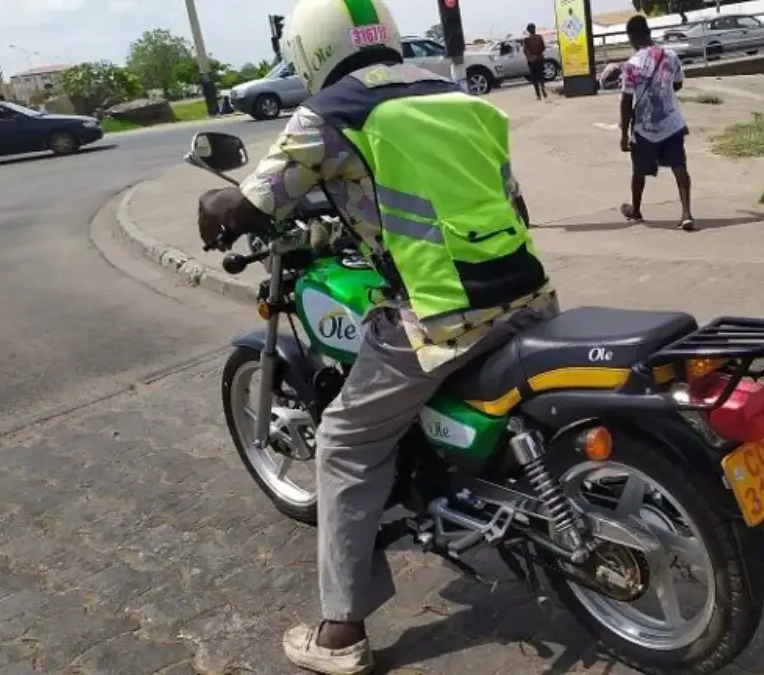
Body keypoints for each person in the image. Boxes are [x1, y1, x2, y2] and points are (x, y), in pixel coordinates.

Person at [195, 1, 556, 673]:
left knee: (343, 441)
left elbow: (256, 198)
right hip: (527, 293)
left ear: (308, 51)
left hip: (440, 315)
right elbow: (477, 201)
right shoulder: (451, 94)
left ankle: (340, 632)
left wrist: (218, 209)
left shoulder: (332, 114)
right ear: (384, 35)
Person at [618, 15, 695, 231]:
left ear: (632, 36)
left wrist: (624, 135)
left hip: (645, 128)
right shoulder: (670, 55)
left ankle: (636, 211)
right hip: (672, 122)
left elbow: (626, 101)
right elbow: (678, 83)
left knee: (638, 170)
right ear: (648, 32)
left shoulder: (632, 65)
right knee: (680, 167)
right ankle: (686, 213)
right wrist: (663, 92)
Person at [523, 23, 548, 101]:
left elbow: (524, 51)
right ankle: (543, 87)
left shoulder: (526, 40)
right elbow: (543, 47)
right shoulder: (539, 37)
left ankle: (538, 95)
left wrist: (529, 57)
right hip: (540, 58)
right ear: (534, 29)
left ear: (528, 31)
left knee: (534, 78)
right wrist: (539, 53)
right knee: (541, 75)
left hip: (532, 60)